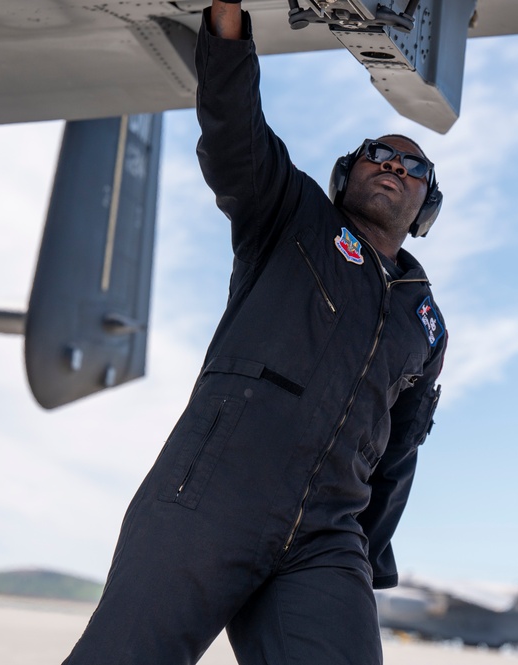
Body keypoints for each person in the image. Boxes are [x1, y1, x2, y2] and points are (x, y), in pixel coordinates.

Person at [63, 1, 446, 663]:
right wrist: (229, 22)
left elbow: (401, 448)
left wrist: (368, 548)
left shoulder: (427, 322)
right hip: (212, 495)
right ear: (344, 174)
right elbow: (235, 136)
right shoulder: (289, 215)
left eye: (415, 169)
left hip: (328, 538)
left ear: (424, 210)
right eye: (378, 155)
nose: (394, 167)